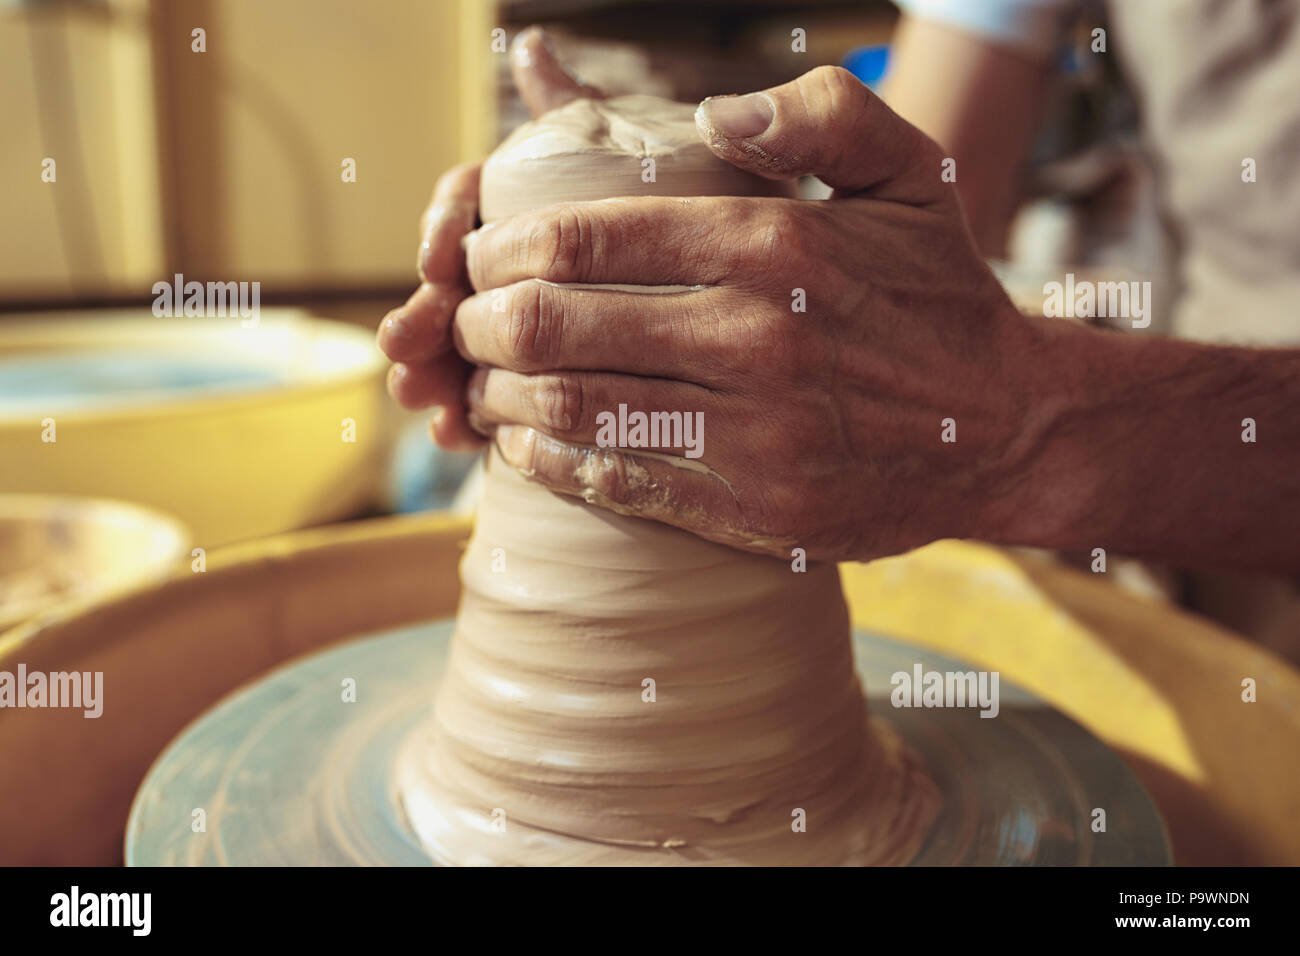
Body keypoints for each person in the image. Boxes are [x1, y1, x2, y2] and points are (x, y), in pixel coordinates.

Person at [377, 27, 1299, 575]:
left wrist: (1020, 428)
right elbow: (920, 209)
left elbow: (968, 389)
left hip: (1226, 475)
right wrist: (662, 201)